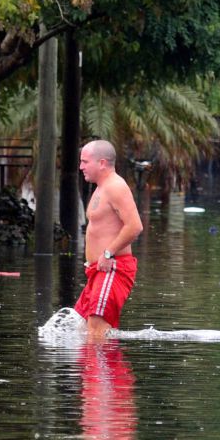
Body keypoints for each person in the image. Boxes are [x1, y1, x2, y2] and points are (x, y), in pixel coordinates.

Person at [74, 140, 143, 342]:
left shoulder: (115, 187)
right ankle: (96, 373)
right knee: (84, 328)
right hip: (98, 270)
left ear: (102, 163)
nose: (81, 167)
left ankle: (106, 374)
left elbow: (135, 226)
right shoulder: (101, 187)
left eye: (85, 162)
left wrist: (107, 253)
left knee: (96, 331)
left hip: (112, 268)